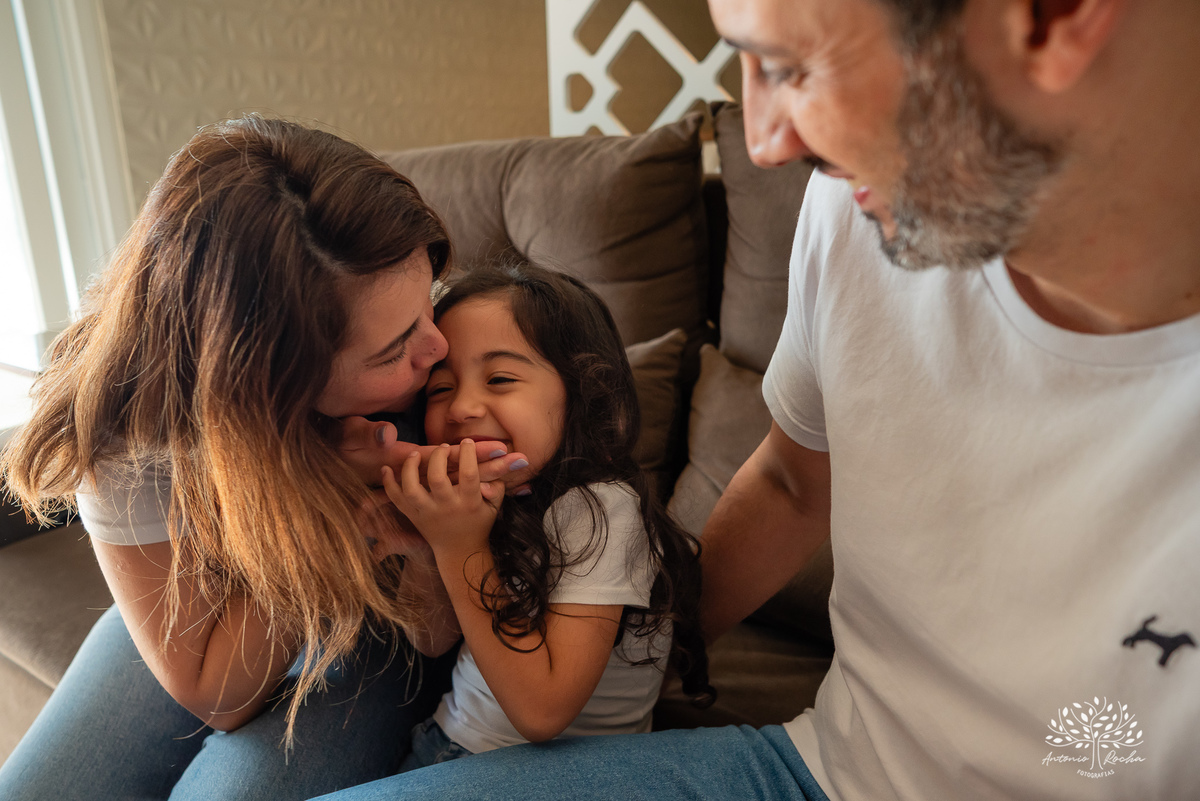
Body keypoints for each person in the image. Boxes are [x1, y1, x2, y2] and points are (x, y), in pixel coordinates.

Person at [304, 0, 1200, 799]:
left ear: (1051, 15)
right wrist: (628, 643)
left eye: (787, 65)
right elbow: (791, 484)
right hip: (821, 769)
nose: (762, 139)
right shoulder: (852, 211)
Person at [0, 115, 529, 801]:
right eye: (393, 352)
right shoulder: (131, 429)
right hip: (225, 593)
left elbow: (437, 624)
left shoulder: (429, 365)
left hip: (376, 622)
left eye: (427, 300)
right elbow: (215, 694)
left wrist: (399, 525)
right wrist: (330, 503)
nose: (438, 350)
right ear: (271, 391)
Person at [378, 264, 714, 769]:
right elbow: (430, 640)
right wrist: (431, 545)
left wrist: (460, 547)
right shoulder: (485, 501)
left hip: (547, 771)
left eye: (500, 379)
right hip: (448, 742)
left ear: (583, 393)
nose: (462, 408)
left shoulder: (601, 506)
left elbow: (542, 713)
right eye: (440, 390)